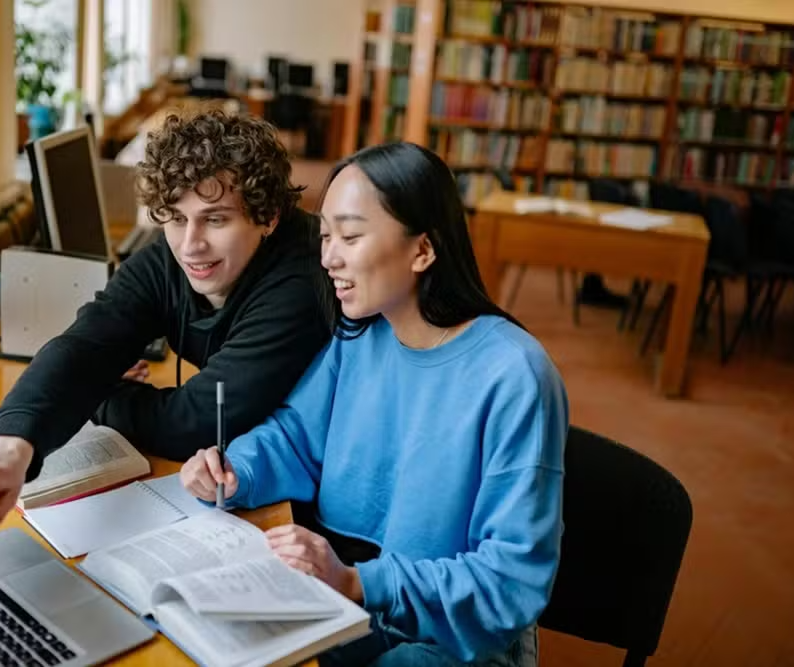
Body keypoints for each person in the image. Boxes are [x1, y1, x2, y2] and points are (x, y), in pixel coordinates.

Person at [181, 142, 569, 666]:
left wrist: (358, 581)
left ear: (423, 250)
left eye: (351, 235)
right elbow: (297, 436)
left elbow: (508, 582)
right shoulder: (359, 335)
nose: (328, 257)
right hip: (360, 603)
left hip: (455, 642)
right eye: (324, 236)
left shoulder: (514, 374)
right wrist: (236, 470)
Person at [0, 109, 330, 536]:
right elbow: (87, 343)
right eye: (176, 218)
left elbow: (195, 422)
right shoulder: (170, 255)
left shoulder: (303, 275)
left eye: (215, 219)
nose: (191, 245)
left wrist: (103, 393)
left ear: (267, 216)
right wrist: (10, 442)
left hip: (312, 510)